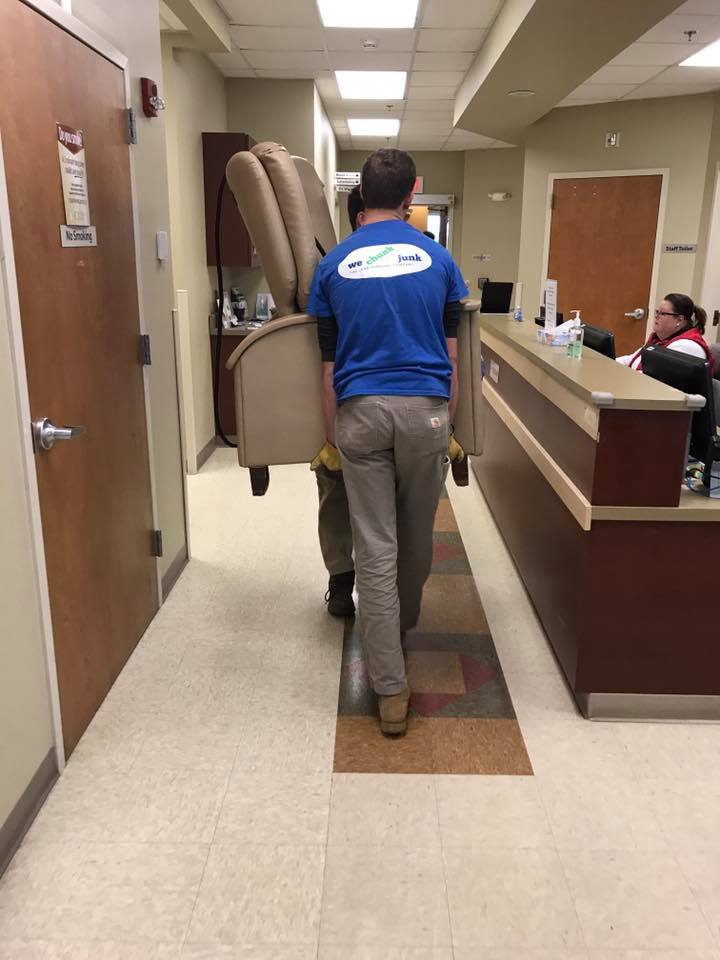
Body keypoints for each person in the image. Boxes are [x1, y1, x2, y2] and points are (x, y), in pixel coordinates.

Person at [307, 148, 468, 736]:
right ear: (413, 192)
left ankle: (389, 687)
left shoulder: (331, 267)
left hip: (359, 414)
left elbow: (326, 368)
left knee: (373, 545)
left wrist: (333, 437)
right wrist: (446, 427)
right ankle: (396, 632)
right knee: (414, 536)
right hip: (425, 411)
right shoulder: (441, 261)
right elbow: (453, 358)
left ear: (359, 194)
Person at [310, 186, 366, 618]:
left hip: (347, 402)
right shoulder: (423, 262)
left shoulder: (331, 267)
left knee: (335, 490)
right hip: (402, 408)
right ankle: (359, 583)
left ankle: (341, 580)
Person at [618, 293, 715, 373]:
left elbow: (653, 377)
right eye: (657, 312)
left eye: (663, 313)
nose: (657, 316)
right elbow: (631, 359)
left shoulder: (686, 347)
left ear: (679, 320)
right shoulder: (659, 340)